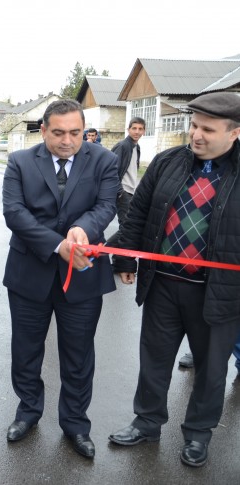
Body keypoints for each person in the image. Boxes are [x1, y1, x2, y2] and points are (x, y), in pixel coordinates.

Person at [108, 92, 240, 468]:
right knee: (154, 358)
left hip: (219, 294)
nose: (196, 135)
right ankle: (147, 422)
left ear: (234, 133)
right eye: (194, 125)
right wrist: (122, 257)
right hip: (163, 285)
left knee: (212, 369)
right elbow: (137, 215)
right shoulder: (168, 162)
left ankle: (198, 434)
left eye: (207, 129)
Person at [2, 99, 118, 459]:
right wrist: (57, 246)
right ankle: (28, 412)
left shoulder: (104, 161)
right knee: (26, 351)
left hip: (82, 276)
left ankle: (75, 424)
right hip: (29, 273)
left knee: (78, 355)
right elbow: (14, 212)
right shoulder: (20, 162)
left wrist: (82, 229)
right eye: (58, 133)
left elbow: (105, 206)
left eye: (75, 133)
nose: (68, 140)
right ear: (43, 130)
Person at [105, 117, 145, 248]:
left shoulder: (136, 147)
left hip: (131, 191)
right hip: (123, 191)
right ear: (128, 130)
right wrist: (119, 191)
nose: (137, 132)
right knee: (128, 226)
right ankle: (101, 252)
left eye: (140, 129)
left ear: (144, 131)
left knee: (128, 226)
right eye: (134, 128)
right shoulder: (123, 146)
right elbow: (110, 169)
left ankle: (114, 255)